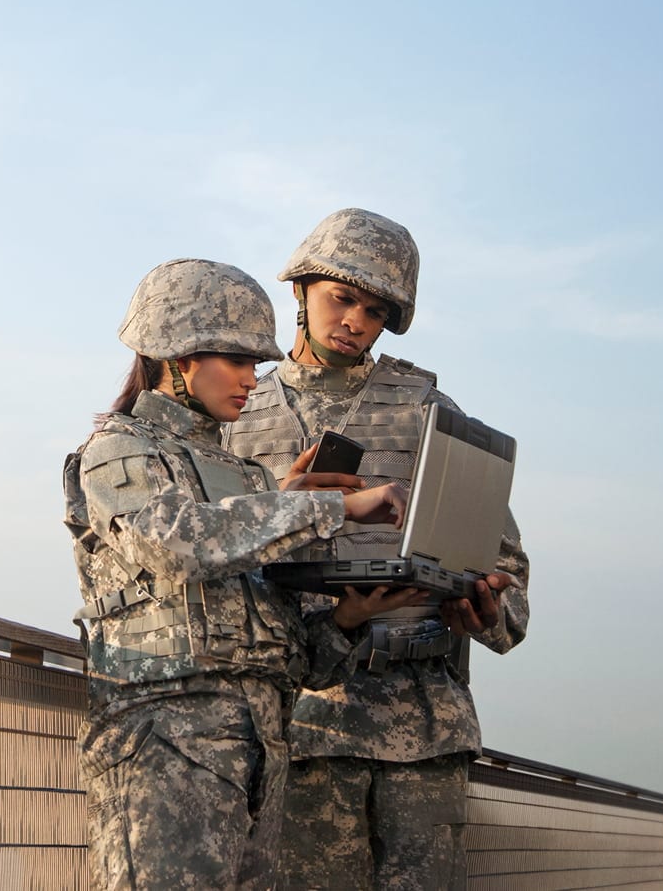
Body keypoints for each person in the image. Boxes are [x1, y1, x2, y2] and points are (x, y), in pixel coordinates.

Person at [63, 257, 420, 890]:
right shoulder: (120, 449)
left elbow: (295, 658)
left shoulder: (246, 480)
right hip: (165, 741)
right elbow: (177, 544)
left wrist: (348, 617)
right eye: (234, 360)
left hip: (259, 747)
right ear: (177, 356)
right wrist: (331, 506)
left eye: (256, 363)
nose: (252, 380)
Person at [223, 209, 530, 890]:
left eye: (375, 309)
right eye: (342, 297)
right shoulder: (238, 413)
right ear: (300, 290)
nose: (355, 320)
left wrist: (485, 610)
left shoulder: (427, 411)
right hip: (297, 726)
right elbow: (207, 556)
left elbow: (504, 571)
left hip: (421, 728)